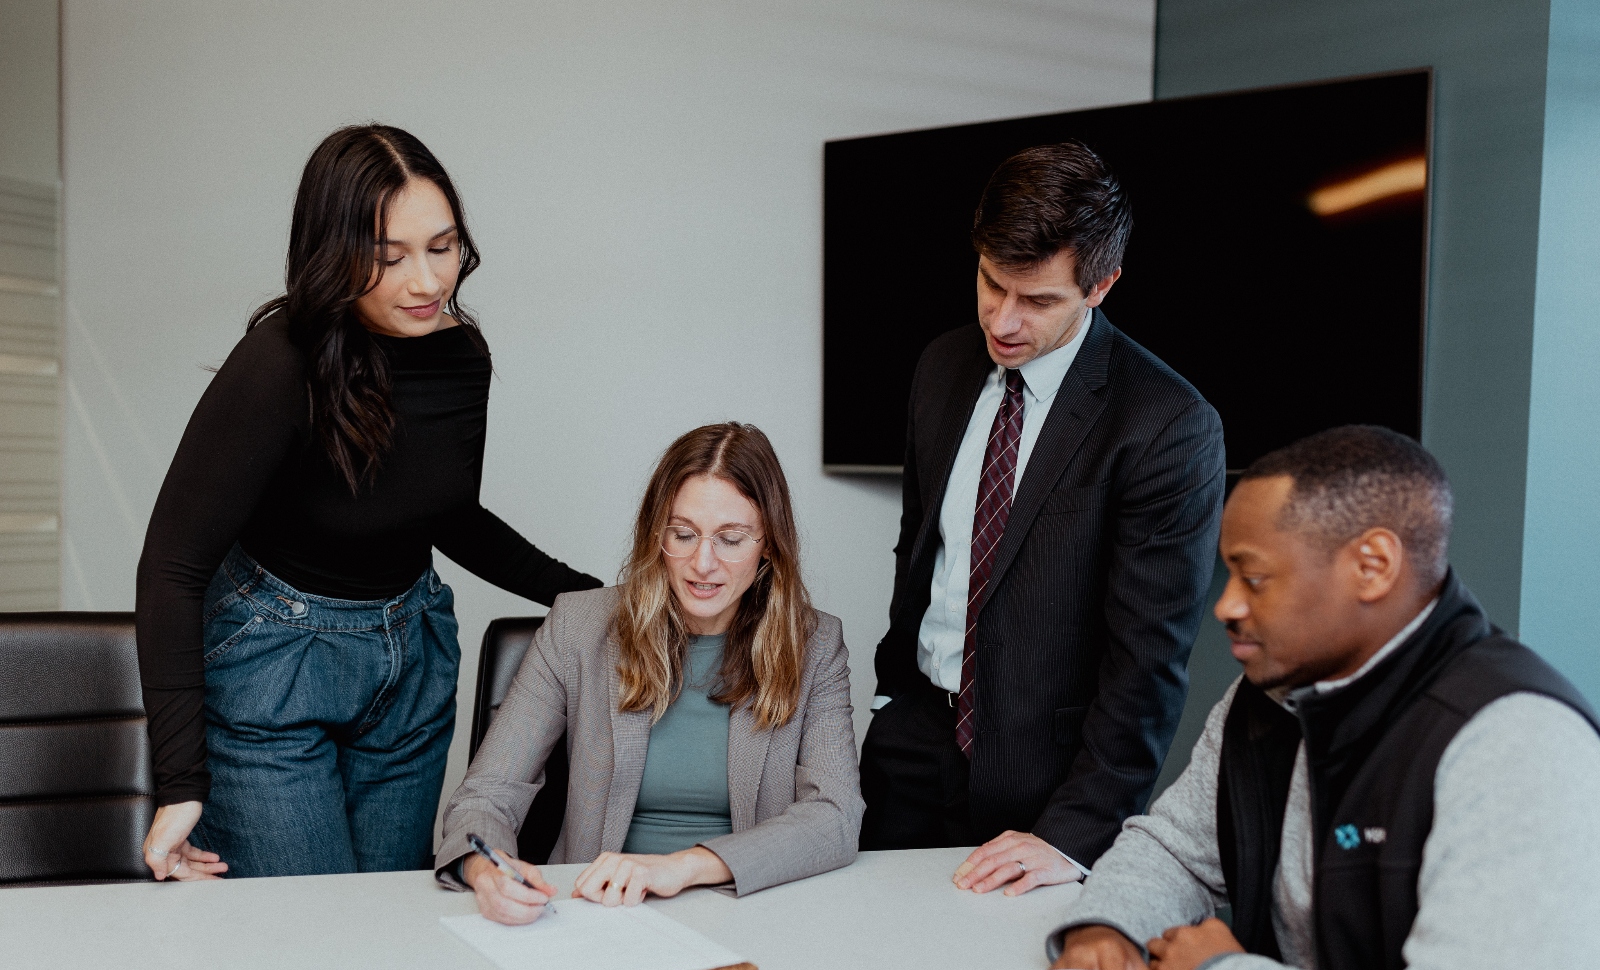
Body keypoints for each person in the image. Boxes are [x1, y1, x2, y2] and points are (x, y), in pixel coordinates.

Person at [134, 125, 601, 881]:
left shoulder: (460, 355)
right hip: (274, 664)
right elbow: (171, 568)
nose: (427, 282)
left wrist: (595, 596)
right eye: (390, 258)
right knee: (316, 932)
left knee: (388, 923)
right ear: (335, 254)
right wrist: (180, 784)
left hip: (411, 658)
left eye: (443, 247)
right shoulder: (277, 364)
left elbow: (446, 512)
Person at [1050, 426, 1600, 970]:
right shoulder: (1269, 696)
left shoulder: (1520, 745)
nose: (1225, 605)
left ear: (1372, 566)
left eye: (1254, 578)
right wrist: (1107, 927)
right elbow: (1175, 850)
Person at [861, 140, 1226, 895]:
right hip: (911, 745)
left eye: (1038, 300)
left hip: (1047, 783)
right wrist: (891, 702)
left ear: (1102, 285)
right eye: (992, 283)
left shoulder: (1166, 424)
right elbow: (920, 548)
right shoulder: (940, 367)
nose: (1003, 319)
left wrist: (1074, 832)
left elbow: (1147, 663)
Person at [435, 422, 863, 924]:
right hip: (600, 911)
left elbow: (835, 815)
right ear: (656, 532)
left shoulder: (815, 644)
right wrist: (486, 872)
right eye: (683, 534)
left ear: (768, 543)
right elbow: (487, 794)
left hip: (749, 911)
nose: (702, 563)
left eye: (730, 539)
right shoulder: (577, 626)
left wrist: (682, 867)